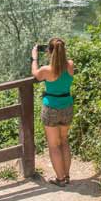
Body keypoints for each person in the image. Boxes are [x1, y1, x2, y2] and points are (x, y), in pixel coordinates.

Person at [31, 37, 74, 186]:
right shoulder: (70, 65)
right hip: (67, 106)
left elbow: (35, 74)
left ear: (50, 52)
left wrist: (34, 57)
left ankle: (60, 179)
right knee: (64, 141)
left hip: (51, 109)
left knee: (54, 145)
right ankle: (67, 176)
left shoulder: (46, 70)